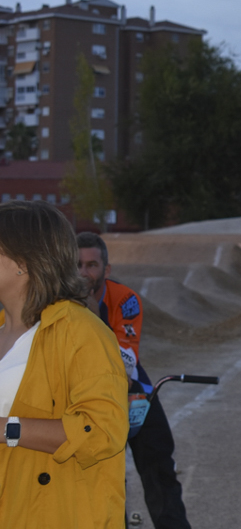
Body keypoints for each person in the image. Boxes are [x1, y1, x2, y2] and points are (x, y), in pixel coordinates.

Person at [0, 201, 128, 527]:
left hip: (56, 513)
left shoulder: (82, 332)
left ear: (24, 263)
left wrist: (5, 429)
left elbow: (102, 430)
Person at [77, 232, 191, 529]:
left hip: (130, 387)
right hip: (84, 395)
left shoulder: (126, 300)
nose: (84, 273)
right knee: (104, 477)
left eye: (91, 265)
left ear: (106, 269)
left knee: (158, 462)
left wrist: (89, 311)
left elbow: (124, 363)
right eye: (77, 265)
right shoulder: (58, 304)